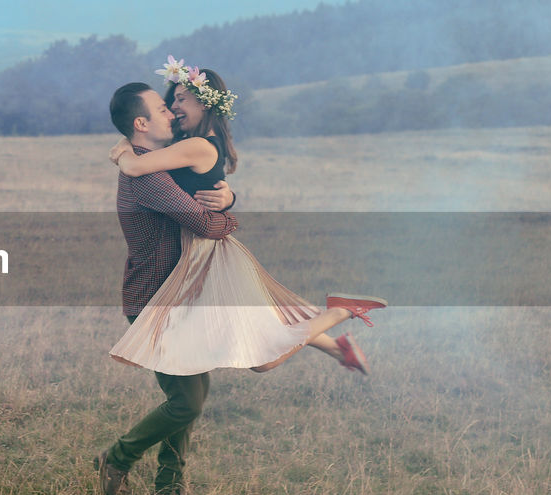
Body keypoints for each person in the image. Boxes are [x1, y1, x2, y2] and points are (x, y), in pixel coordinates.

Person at [107, 59, 380, 378]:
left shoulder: (197, 145)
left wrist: (122, 150)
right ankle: (340, 343)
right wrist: (230, 198)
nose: (173, 106)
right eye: (171, 100)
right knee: (264, 328)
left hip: (211, 253)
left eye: (181, 98)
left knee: (263, 353)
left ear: (204, 102)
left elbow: (135, 167)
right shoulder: (191, 143)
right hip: (204, 251)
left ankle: (342, 310)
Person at [95, 81, 238, 495]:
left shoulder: (150, 162)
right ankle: (117, 458)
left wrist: (228, 196)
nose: (172, 113)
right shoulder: (149, 178)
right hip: (156, 301)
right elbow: (207, 224)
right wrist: (229, 218)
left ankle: (169, 487)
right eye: (162, 109)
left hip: (173, 297)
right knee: (187, 401)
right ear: (141, 124)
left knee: (190, 393)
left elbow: (205, 191)